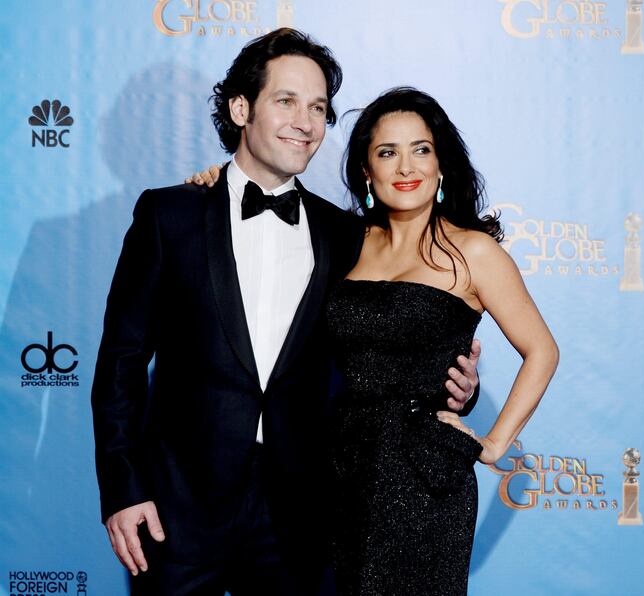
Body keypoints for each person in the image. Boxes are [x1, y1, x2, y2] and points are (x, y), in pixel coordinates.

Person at [91, 30, 478, 596]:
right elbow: (121, 363)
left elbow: (399, 329)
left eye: (319, 107)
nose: (306, 121)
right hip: (179, 510)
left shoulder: (348, 235)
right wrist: (123, 490)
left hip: (307, 513)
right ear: (241, 107)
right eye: (287, 101)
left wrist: (456, 383)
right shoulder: (169, 215)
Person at [327, 87, 559, 595]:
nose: (405, 165)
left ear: (441, 164)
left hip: (422, 476)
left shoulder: (473, 252)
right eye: (387, 152)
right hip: (336, 467)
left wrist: (495, 443)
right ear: (367, 171)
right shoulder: (344, 242)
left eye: (421, 149)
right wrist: (215, 181)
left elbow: (542, 350)